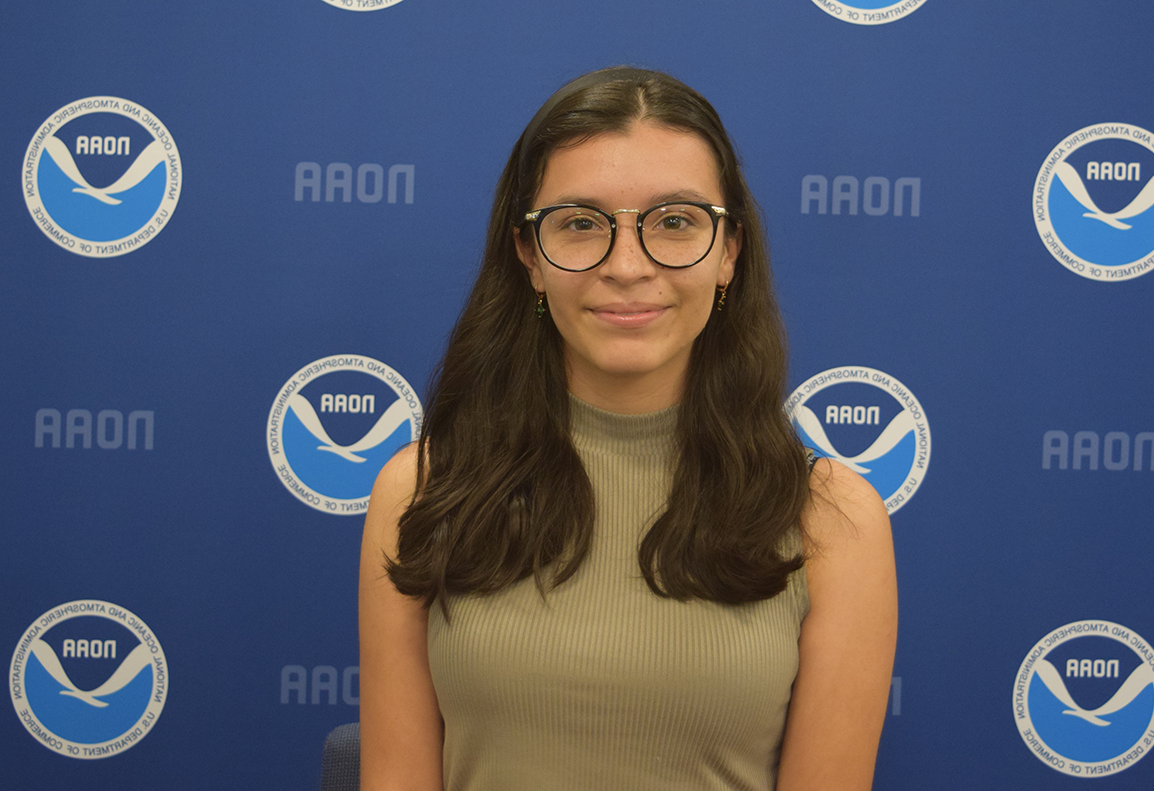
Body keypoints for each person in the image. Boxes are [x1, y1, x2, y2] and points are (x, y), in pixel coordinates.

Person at [358, 67, 896, 791]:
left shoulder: (833, 518)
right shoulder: (423, 490)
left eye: (675, 222)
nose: (627, 266)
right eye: (580, 224)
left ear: (730, 250)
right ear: (528, 257)